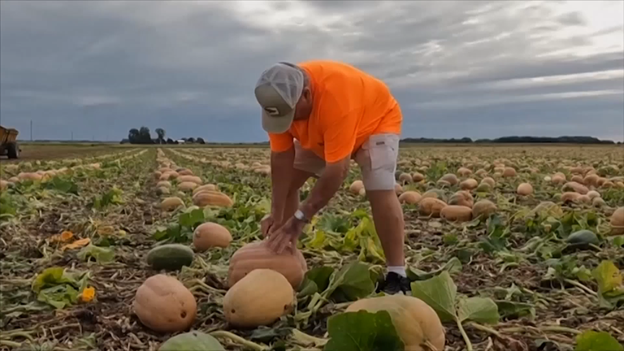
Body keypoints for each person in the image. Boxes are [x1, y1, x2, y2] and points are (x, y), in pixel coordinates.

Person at [253, 60, 410, 295]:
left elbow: (336, 171)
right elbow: (281, 160)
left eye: (291, 115)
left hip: (375, 122)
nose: (288, 123)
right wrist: (276, 214)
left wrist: (300, 218)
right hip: (321, 131)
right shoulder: (277, 101)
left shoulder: (336, 100)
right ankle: (286, 256)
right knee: (288, 186)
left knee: (379, 189)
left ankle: (398, 275)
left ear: (306, 95)